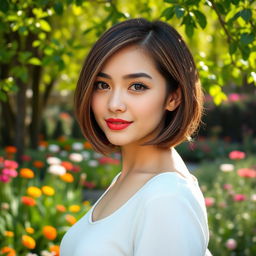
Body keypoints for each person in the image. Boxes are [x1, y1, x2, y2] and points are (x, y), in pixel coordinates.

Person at [60, 18, 212, 256]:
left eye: (137, 86)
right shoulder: (128, 180)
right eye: (102, 85)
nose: (114, 104)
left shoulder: (167, 197)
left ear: (174, 97)